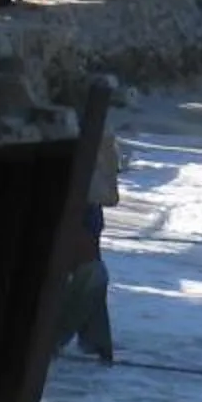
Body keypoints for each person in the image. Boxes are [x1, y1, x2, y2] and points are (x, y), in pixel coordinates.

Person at [56, 137, 121, 362]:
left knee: (91, 274)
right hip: (80, 204)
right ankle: (84, 346)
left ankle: (87, 347)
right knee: (92, 274)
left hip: (82, 204)